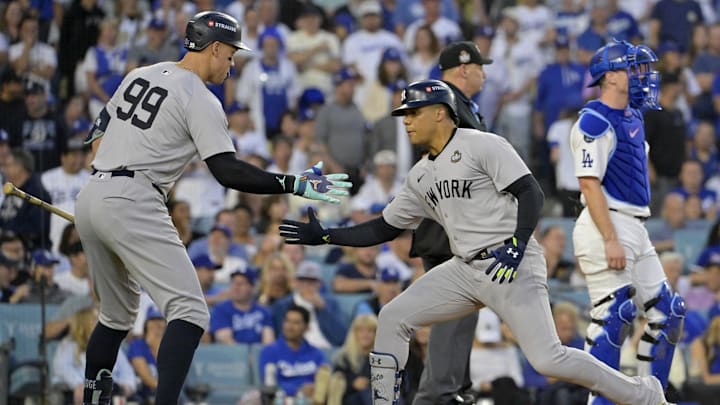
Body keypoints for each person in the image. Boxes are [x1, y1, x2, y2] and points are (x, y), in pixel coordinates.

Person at [279, 79, 671, 405]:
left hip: (510, 262)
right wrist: (328, 235)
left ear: (441, 112)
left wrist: (517, 245)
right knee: (392, 317)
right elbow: (383, 228)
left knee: (548, 359)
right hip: (465, 268)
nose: (407, 122)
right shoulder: (420, 175)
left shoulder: (483, 144)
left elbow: (530, 193)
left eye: (414, 113)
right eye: (404, 115)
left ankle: (642, 395)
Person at [74, 10, 351, 405]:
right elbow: (227, 171)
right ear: (215, 47)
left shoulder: (140, 74)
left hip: (93, 194)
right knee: (189, 312)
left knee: (116, 317)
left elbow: (95, 139)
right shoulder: (199, 97)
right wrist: (295, 183)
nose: (233, 63)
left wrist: (106, 200)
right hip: (134, 198)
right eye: (231, 54)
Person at [570, 39, 685, 405]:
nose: (642, 76)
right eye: (633, 68)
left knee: (669, 313)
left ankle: (654, 397)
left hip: (635, 225)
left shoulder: (634, 116)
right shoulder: (593, 120)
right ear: (610, 77)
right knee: (613, 316)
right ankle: (599, 402)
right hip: (606, 224)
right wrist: (610, 239)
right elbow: (589, 184)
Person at [408, 40, 492, 405]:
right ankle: (435, 397)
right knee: (451, 319)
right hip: (448, 233)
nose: (484, 74)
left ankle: (455, 390)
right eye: (480, 67)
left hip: (461, 232)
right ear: (463, 69)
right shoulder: (442, 106)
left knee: (464, 316)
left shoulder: (465, 108)